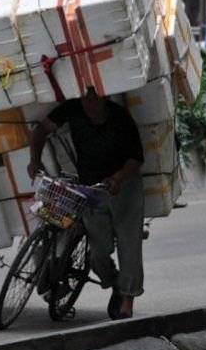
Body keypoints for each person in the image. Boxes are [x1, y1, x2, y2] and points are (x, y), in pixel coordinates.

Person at [27, 86, 145, 320]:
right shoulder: (73, 109)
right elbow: (41, 131)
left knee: (129, 243)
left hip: (124, 187)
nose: (89, 104)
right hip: (91, 190)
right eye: (85, 99)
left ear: (105, 97)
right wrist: (34, 160)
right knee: (98, 253)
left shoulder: (120, 118)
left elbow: (136, 158)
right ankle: (114, 282)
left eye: (94, 99)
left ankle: (127, 300)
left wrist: (118, 178)